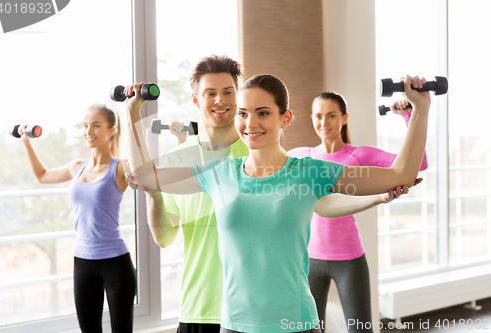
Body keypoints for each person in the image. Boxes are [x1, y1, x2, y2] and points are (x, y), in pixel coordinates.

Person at [125, 73, 430, 333]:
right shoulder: (218, 174)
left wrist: (420, 109)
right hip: (234, 324)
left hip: (295, 324)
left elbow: (400, 174)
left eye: (263, 112)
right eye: (242, 113)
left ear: (285, 118)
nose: (250, 122)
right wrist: (132, 114)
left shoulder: (311, 171)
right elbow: (143, 175)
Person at [126, 55, 248, 333]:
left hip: (251, 307)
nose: (221, 100)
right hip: (200, 308)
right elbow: (165, 237)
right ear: (196, 100)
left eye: (228, 91)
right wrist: (153, 195)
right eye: (210, 93)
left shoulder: (259, 154)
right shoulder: (175, 161)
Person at [288, 93, 428, 332]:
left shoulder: (359, 155)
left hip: (349, 260)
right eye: (318, 116)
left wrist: (408, 116)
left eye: (331, 115)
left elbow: (420, 163)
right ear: (312, 118)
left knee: (361, 329)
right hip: (309, 260)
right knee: (308, 330)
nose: (324, 122)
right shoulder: (301, 156)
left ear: (344, 118)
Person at [19, 104, 136, 333]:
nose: (88, 131)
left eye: (96, 125)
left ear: (111, 130)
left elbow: (144, 169)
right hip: (82, 260)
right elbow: (42, 176)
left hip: (115, 262)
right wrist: (26, 142)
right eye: (85, 126)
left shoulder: (121, 168)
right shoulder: (77, 167)